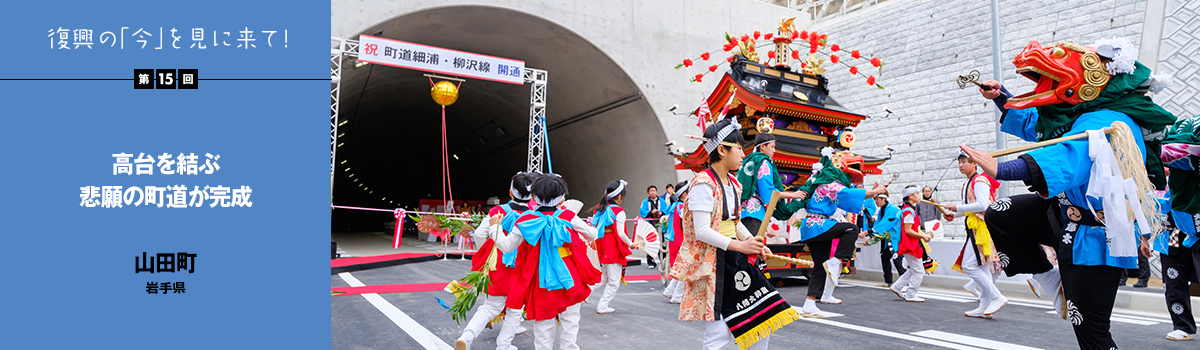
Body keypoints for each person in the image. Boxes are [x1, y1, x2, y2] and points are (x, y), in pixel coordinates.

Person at [963, 38, 1176, 350]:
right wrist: (1002, 97)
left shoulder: (1103, 120)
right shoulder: (1081, 115)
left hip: (1096, 235)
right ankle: (1050, 280)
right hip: (1062, 217)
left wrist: (1002, 169)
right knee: (1002, 212)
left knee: (1091, 331)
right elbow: (1044, 128)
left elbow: (1069, 156)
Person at [672, 117, 798, 350]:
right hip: (715, 262)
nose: (743, 154)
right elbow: (702, 231)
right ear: (722, 150)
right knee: (719, 332)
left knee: (761, 320)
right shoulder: (702, 184)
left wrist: (751, 241)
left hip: (734, 258)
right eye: (739, 147)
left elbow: (734, 222)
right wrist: (741, 246)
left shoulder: (734, 183)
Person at [494, 174, 601, 350]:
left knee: (543, 324)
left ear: (534, 196)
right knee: (571, 319)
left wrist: (494, 228)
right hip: (569, 274)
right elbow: (592, 234)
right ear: (562, 198)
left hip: (540, 277)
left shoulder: (525, 219)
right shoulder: (568, 216)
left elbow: (506, 247)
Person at [789, 147, 886, 317]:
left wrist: (871, 193)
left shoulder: (828, 184)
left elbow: (848, 198)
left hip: (815, 226)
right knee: (852, 229)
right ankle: (836, 261)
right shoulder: (829, 183)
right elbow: (848, 194)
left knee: (819, 266)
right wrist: (874, 192)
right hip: (817, 224)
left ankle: (809, 303)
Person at [456, 172, 534, 350]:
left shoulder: (497, 211)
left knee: (490, 306)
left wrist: (487, 253)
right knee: (514, 309)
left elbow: (478, 234)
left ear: (511, 192)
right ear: (531, 196)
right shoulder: (533, 217)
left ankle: (466, 338)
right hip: (521, 268)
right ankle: (503, 345)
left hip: (497, 265)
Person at [943, 152, 1008, 318]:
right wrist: (954, 214)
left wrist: (957, 208)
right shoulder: (967, 182)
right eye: (959, 162)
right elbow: (969, 207)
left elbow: (982, 204)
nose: (961, 165)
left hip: (982, 228)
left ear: (974, 164)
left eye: (964, 161)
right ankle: (984, 307)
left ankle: (997, 297)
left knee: (970, 265)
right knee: (983, 267)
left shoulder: (979, 180)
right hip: (975, 227)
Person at [1145, 191, 1199, 341]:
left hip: (1195, 233)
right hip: (1169, 237)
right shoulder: (1158, 182)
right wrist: (1145, 236)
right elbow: (1150, 210)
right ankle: (1182, 325)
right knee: (1173, 283)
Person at [738, 133, 806, 235]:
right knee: (752, 248)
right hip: (754, 211)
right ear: (762, 146)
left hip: (740, 211)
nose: (774, 151)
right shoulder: (763, 162)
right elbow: (769, 193)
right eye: (772, 147)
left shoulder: (748, 160)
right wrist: (792, 194)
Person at [591, 180, 635, 314]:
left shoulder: (599, 208)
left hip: (602, 245)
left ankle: (581, 295)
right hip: (613, 247)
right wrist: (631, 243)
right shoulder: (619, 211)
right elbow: (621, 233)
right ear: (620, 196)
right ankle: (602, 306)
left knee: (604, 277)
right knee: (614, 281)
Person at [890, 185, 933, 302]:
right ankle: (910, 294)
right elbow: (908, 230)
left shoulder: (907, 209)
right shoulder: (908, 211)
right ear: (911, 196)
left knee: (915, 269)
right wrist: (923, 236)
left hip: (909, 243)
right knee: (919, 271)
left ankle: (897, 287)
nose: (919, 196)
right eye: (917, 193)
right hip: (910, 244)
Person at [662, 181, 689, 304]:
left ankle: (670, 290)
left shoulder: (674, 206)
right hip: (681, 240)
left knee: (680, 267)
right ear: (684, 194)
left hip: (674, 240)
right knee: (685, 269)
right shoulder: (682, 207)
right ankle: (677, 295)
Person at [867, 191, 902, 286]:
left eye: (877, 200)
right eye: (875, 200)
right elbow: (878, 223)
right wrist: (871, 237)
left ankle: (906, 283)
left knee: (897, 259)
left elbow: (884, 225)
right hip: (890, 238)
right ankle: (888, 281)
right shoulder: (883, 209)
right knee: (885, 257)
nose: (876, 202)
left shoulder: (892, 209)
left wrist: (869, 233)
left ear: (884, 199)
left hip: (897, 238)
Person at [641, 185, 666, 269]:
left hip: (660, 224)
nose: (653, 192)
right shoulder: (645, 202)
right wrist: (651, 212)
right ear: (648, 193)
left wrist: (661, 212)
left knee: (661, 242)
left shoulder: (662, 201)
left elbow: (667, 209)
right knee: (650, 243)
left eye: (654, 191)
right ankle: (651, 262)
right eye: (651, 191)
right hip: (650, 225)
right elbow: (642, 211)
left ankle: (664, 260)